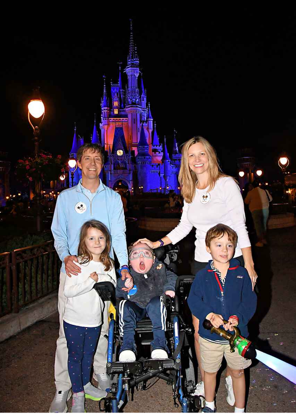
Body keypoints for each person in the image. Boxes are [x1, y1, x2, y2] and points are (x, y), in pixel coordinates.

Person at [134, 136, 258, 401]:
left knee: (231, 320)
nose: (197, 159)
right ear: (186, 161)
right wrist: (158, 242)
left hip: (230, 260)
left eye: (202, 154)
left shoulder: (226, 185)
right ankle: (206, 378)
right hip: (203, 263)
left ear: (210, 157)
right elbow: (184, 226)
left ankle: (230, 374)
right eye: (192, 155)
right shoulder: (189, 188)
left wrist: (248, 264)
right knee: (201, 324)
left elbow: (240, 225)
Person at [50, 143, 132, 413]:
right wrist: (65, 256)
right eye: (87, 158)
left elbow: (118, 235)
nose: (92, 163)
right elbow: (59, 234)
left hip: (105, 273)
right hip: (74, 273)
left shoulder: (112, 198)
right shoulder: (66, 198)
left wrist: (124, 268)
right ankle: (64, 387)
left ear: (103, 163)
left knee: (102, 328)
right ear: (79, 163)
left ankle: (93, 377)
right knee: (67, 334)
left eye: (97, 159)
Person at [187, 224, 257, 413]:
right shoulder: (203, 275)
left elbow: (250, 300)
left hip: (237, 336)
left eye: (229, 245)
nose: (224, 250)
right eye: (218, 245)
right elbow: (193, 299)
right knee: (209, 372)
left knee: (238, 372)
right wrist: (209, 314)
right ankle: (209, 404)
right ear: (208, 248)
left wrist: (238, 317)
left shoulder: (241, 273)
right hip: (210, 337)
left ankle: (240, 409)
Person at [63, 220, 116, 412]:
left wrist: (104, 280)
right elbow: (68, 291)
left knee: (88, 356)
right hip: (74, 320)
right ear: (84, 241)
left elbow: (112, 287)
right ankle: (77, 395)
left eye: (101, 237)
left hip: (95, 320)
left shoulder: (108, 263)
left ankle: (85, 385)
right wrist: (90, 282)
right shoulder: (77, 262)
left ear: (106, 240)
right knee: (75, 357)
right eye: (91, 238)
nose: (97, 242)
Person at [116, 242, 177, 362]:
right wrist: (123, 284)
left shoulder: (160, 271)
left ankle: (159, 345)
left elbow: (172, 278)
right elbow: (117, 292)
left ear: (154, 259)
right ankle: (127, 346)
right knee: (124, 305)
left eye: (146, 253)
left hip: (156, 309)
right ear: (129, 262)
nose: (141, 257)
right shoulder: (128, 275)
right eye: (136, 254)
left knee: (157, 302)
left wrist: (169, 288)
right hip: (136, 309)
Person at [244, 181, 272, 247]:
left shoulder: (250, 192)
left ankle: (261, 241)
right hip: (265, 209)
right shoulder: (265, 191)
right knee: (264, 224)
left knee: (258, 226)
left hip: (255, 210)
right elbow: (270, 199)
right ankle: (264, 238)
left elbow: (246, 201)